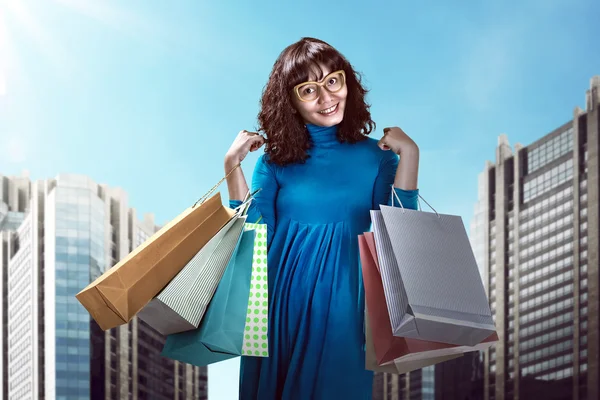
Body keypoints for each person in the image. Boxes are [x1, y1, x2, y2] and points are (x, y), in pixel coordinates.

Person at [224, 37, 421, 400]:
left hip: (344, 309)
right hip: (275, 310)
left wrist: (410, 155)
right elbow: (251, 239)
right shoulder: (274, 161)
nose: (328, 98)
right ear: (290, 101)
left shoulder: (377, 157)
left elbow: (401, 238)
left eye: (334, 81)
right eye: (309, 90)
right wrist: (232, 165)